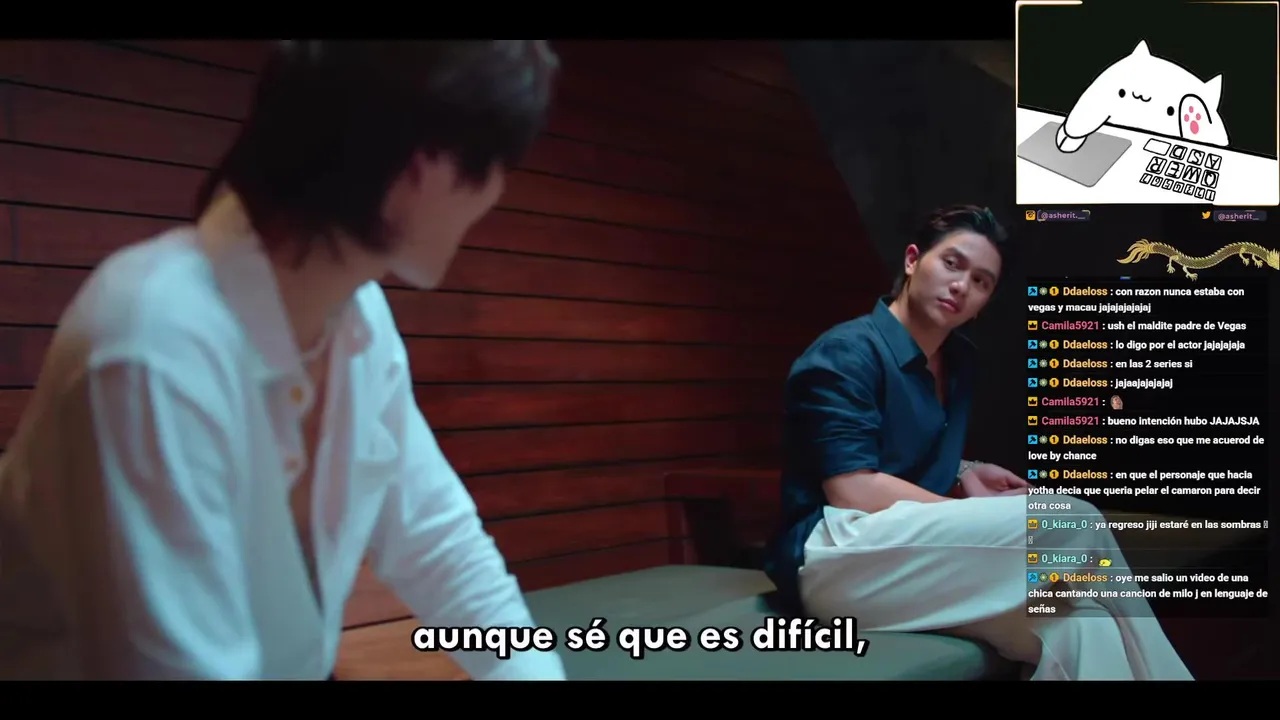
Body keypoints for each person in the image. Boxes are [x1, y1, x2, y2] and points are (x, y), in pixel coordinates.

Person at [0, 41, 566, 681]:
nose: (496, 193)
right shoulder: (153, 344)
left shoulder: (360, 320)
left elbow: (442, 548)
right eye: (497, 166)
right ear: (426, 167)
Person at [764, 205, 1192, 680]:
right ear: (913, 260)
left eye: (982, 281)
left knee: (1083, 626)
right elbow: (853, 490)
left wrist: (963, 470)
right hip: (832, 558)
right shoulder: (846, 352)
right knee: (1072, 520)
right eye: (952, 264)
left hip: (907, 555)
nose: (962, 285)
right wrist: (973, 516)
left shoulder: (958, 362)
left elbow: (899, 450)